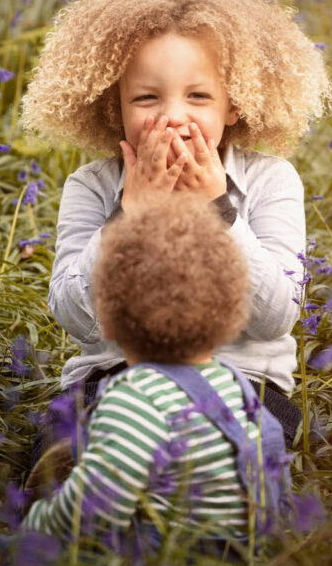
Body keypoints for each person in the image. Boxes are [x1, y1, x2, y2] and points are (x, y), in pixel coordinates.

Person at [22, 0, 332, 454]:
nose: (173, 116)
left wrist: (219, 210)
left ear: (233, 104)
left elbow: (274, 317)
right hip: (110, 380)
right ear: (115, 106)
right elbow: (76, 318)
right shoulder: (92, 187)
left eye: (199, 96)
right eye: (147, 98)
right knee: (67, 451)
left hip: (242, 384)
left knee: (220, 457)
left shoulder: (271, 182)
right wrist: (128, 215)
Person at [22, 196, 290, 546]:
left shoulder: (133, 400)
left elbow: (89, 514)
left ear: (107, 320)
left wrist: (33, 524)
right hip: (240, 563)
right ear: (230, 318)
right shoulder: (239, 393)